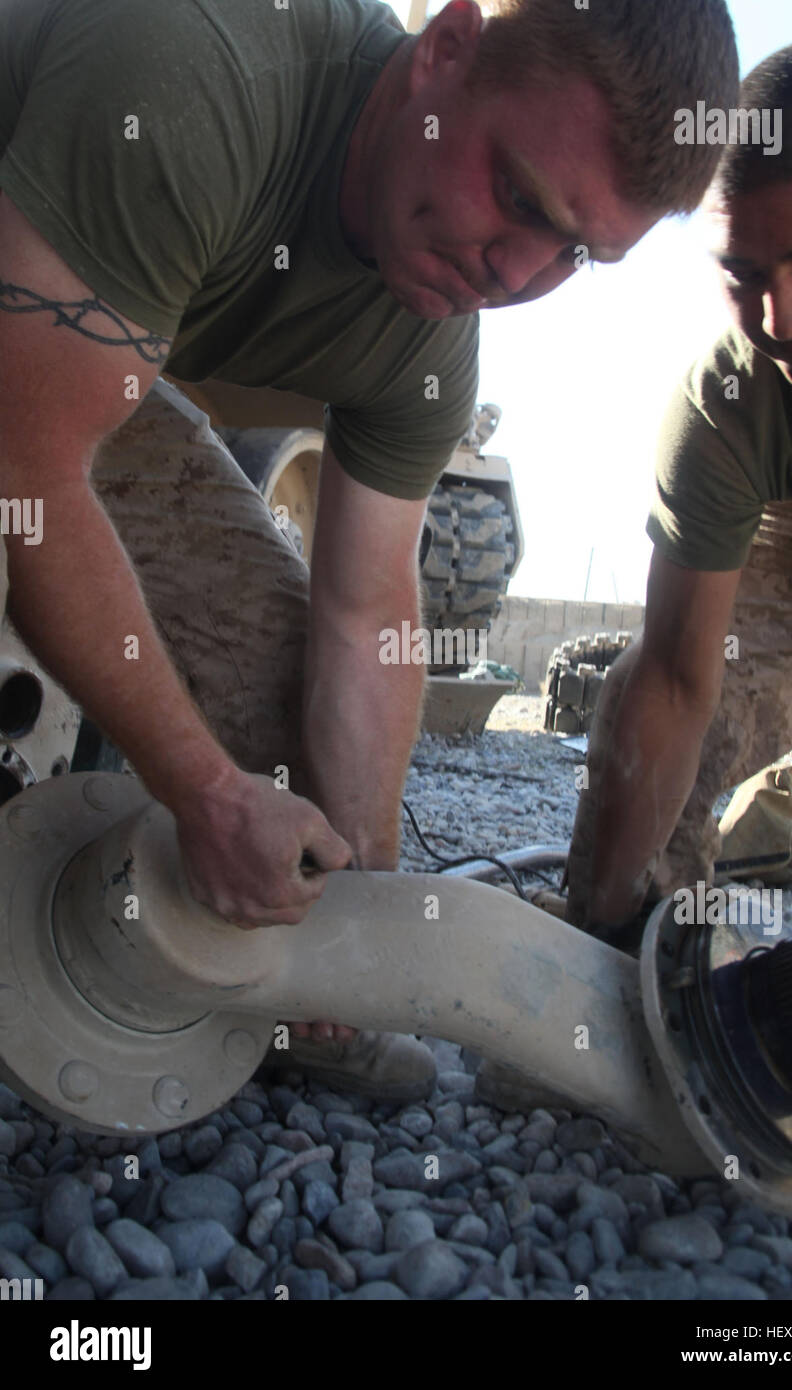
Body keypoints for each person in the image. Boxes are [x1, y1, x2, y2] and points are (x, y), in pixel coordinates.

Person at [0, 0, 737, 1101]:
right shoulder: (200, 66)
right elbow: (24, 476)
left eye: (573, 252)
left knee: (272, 734)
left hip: (48, 380)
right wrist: (198, 789)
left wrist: (358, 928)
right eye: (518, 196)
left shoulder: (432, 337)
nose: (516, 274)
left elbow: (364, 613)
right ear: (444, 49)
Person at [562, 41, 792, 949]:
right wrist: (602, 933)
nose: (784, 320)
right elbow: (676, 679)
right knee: (656, 713)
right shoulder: (729, 403)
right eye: (744, 276)